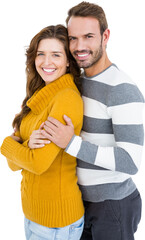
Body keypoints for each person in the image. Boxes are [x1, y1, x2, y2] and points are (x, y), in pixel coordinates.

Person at [29, 2, 144, 240]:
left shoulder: (122, 89)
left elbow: (131, 161)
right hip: (79, 204)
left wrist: (71, 143)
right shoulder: (76, 81)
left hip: (112, 206)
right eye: (73, 38)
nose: (79, 46)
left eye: (88, 36)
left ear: (105, 36)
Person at [0, 25, 85, 240]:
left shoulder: (66, 98)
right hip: (34, 216)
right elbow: (13, 165)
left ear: (68, 61)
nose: (47, 62)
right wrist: (27, 147)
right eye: (41, 54)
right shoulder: (39, 96)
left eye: (56, 55)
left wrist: (8, 145)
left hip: (57, 223)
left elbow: (37, 164)